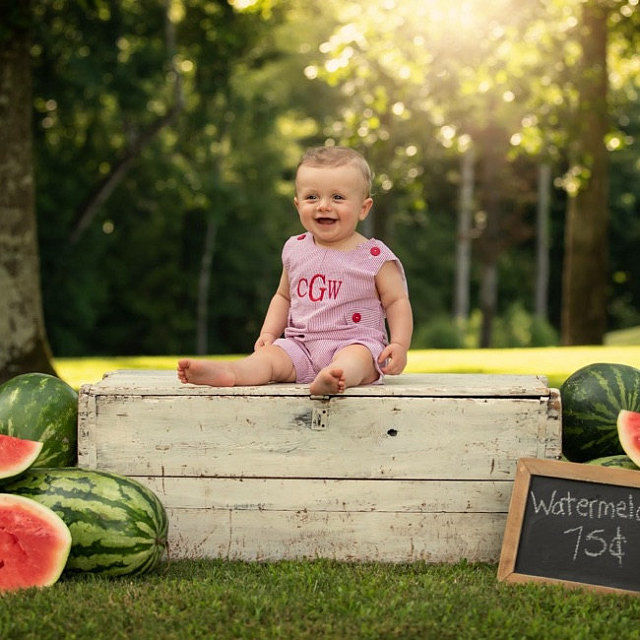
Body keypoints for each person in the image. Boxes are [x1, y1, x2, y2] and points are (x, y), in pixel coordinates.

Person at [177, 146, 413, 396]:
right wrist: (269, 332)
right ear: (297, 204)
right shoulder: (294, 249)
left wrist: (399, 344)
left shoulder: (374, 256)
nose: (323, 206)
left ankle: (335, 378)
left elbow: (397, 301)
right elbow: (283, 297)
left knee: (357, 359)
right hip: (300, 345)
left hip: (354, 341)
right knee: (269, 358)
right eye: (312, 197)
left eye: (338, 197)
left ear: (363, 208)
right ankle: (233, 373)